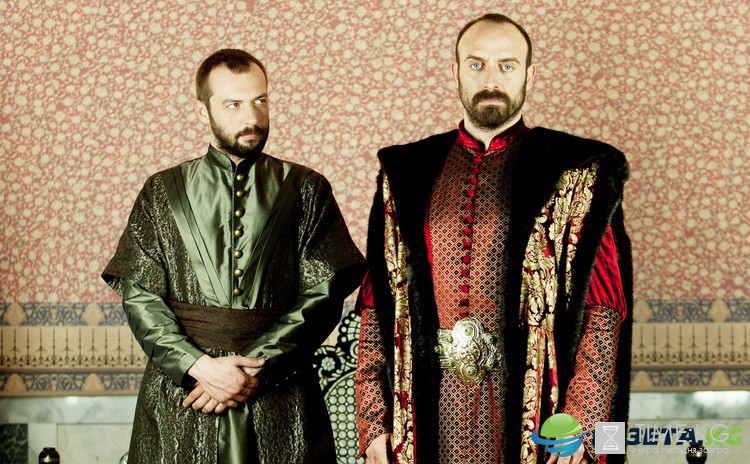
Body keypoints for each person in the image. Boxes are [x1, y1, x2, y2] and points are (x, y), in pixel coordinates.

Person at [355, 14, 632, 464]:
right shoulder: (405, 174)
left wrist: (582, 421)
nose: (491, 80)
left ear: (529, 75)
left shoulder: (577, 171)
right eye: (476, 64)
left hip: (536, 412)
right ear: (456, 72)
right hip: (429, 412)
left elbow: (603, 309)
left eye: (507, 65)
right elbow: (377, 306)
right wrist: (373, 423)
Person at [103, 49, 365, 464]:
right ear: (201, 110)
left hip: (281, 397)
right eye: (234, 104)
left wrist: (253, 369)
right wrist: (198, 366)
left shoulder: (307, 188)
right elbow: (141, 296)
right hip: (184, 396)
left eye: (260, 100)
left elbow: (324, 292)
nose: (252, 117)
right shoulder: (161, 192)